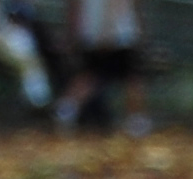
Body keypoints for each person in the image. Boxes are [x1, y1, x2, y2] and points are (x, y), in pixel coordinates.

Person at [53, 0, 146, 132]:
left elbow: (74, 7)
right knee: (131, 78)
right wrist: (108, 30)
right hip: (117, 36)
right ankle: (136, 121)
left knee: (92, 75)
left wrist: (73, 33)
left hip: (93, 34)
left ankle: (65, 110)